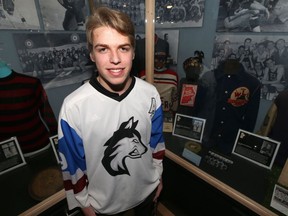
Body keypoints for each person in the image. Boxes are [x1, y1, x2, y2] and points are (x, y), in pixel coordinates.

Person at [58, 7, 165, 216]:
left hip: (147, 195)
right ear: (91, 54)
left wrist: (158, 177)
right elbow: (72, 166)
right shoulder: (74, 107)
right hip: (103, 208)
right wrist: (85, 206)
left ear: (134, 52)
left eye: (123, 48)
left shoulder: (150, 94)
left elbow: (156, 142)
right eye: (103, 49)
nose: (115, 59)